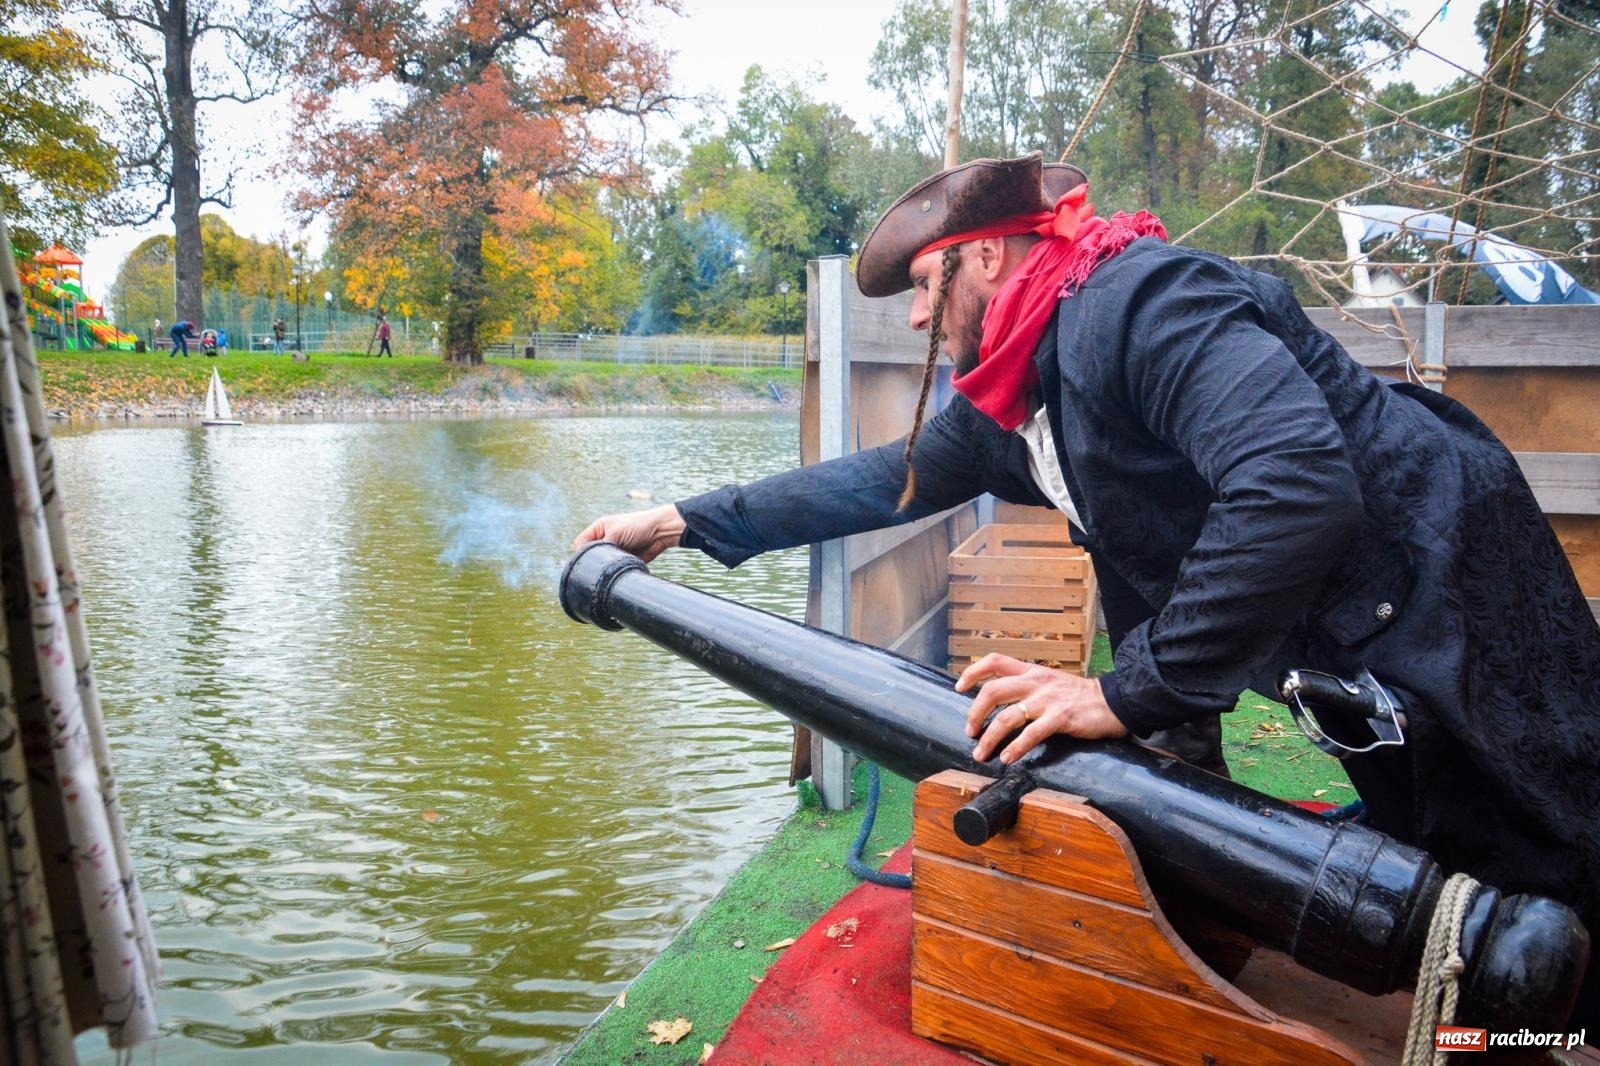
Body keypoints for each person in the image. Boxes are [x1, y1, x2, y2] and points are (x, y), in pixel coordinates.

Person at [574, 153, 1600, 1023]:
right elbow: (878, 482)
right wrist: (680, 522)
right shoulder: (1021, 396)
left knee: (1554, 844)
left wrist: (1119, 693)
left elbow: (1293, 487)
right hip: (1348, 641)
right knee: (1438, 850)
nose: (920, 313)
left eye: (927, 285)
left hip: (1447, 571)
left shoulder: (1141, 303)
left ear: (984, 253)